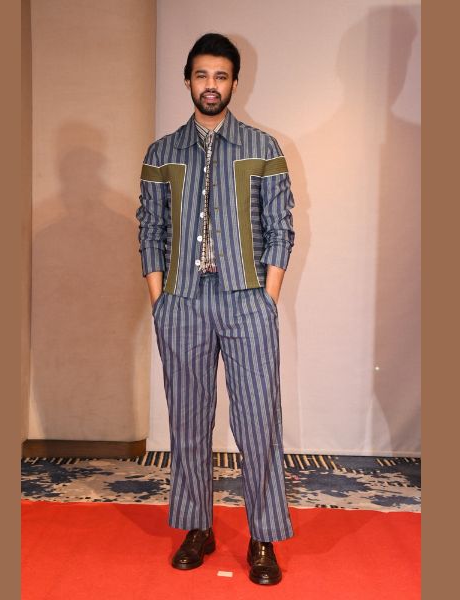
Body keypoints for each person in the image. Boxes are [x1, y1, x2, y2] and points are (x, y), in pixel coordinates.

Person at [136, 32, 296, 586]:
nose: (211, 85)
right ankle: (196, 527)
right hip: (182, 302)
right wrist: (159, 300)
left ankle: (263, 537)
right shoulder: (161, 153)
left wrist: (266, 298)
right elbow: (150, 228)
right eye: (202, 75)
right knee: (187, 421)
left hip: (247, 300)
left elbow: (281, 228)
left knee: (258, 422)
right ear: (188, 80)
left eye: (221, 76)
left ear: (234, 83)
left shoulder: (262, 148)